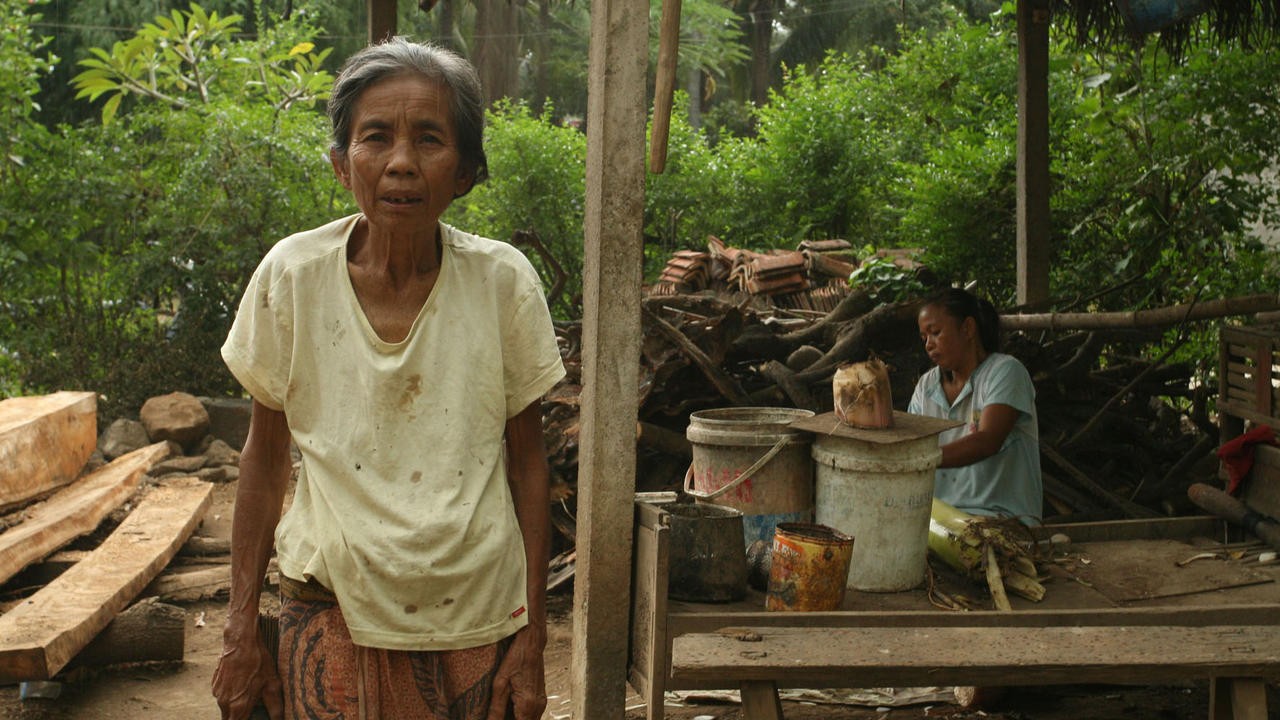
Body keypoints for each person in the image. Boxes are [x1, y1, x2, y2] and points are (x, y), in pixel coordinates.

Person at [212, 38, 565, 720]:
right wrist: (238, 626)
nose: (401, 162)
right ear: (343, 165)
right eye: (376, 137)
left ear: (463, 171)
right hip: (329, 606)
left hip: (476, 615)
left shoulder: (501, 284)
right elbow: (263, 458)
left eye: (429, 139)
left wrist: (534, 637)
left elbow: (528, 464)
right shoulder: (293, 276)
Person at [908, 287, 1042, 524]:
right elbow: (910, 445)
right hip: (939, 524)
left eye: (936, 332)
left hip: (1005, 520)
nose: (928, 344)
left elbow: (988, 440)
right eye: (923, 337)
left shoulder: (1005, 372)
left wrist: (919, 459)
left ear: (967, 328)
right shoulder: (926, 386)